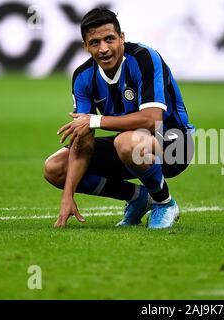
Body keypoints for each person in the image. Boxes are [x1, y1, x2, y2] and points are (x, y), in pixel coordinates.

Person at [43, 8, 194, 229]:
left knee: (125, 142)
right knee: (55, 167)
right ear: (85, 46)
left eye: (109, 39)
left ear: (122, 37)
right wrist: (67, 195)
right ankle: (138, 197)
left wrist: (95, 120)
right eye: (94, 42)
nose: (103, 48)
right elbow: (83, 141)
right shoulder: (83, 77)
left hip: (175, 145)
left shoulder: (144, 58)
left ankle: (164, 203)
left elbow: (153, 120)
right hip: (130, 147)